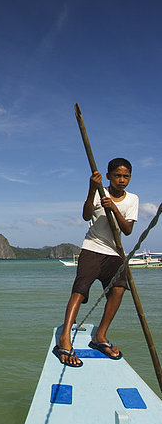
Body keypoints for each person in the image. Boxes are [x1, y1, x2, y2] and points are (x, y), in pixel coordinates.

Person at [53, 157, 139, 367]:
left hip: (115, 251)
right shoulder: (101, 193)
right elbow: (85, 216)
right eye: (117, 176)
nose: (121, 180)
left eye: (125, 176)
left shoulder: (133, 199)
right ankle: (65, 338)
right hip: (92, 248)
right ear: (108, 176)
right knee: (79, 290)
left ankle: (100, 336)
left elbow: (127, 230)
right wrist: (92, 189)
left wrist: (115, 209)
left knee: (118, 289)